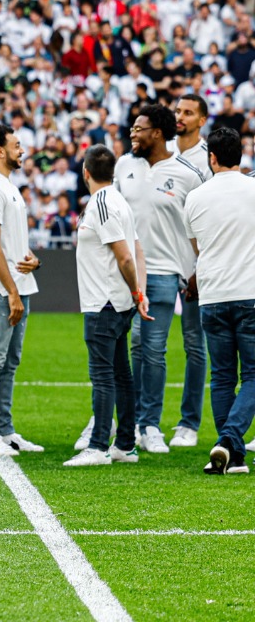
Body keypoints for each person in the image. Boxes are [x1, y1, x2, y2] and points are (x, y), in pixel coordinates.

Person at [111, 104, 205, 454]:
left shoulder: (187, 174)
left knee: (152, 349)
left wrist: (195, 268)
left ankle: (149, 424)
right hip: (125, 271)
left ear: (159, 133)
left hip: (166, 272)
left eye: (140, 128)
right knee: (126, 347)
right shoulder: (124, 166)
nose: (133, 133)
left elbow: (199, 225)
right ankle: (125, 421)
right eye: (132, 128)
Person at [65, 145, 151, 467]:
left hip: (104, 301)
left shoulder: (101, 204)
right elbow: (137, 249)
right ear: (112, 172)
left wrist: (136, 293)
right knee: (121, 374)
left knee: (103, 376)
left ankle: (99, 446)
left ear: (85, 172)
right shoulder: (119, 202)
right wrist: (138, 293)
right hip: (115, 300)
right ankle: (125, 445)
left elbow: (126, 255)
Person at [184, 128, 255, 475]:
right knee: (254, 374)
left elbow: (198, 248)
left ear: (211, 157)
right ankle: (229, 440)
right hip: (250, 292)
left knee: (223, 376)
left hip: (212, 295)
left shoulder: (195, 197)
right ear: (241, 155)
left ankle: (233, 456)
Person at [0, 124, 44, 456]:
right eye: (16, 145)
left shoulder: (9, 186)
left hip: (16, 286)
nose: (21, 150)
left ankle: (5, 429)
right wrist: (11, 291)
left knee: (9, 361)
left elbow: (11, 245)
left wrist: (32, 261)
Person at [165, 94, 212, 447]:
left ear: (201, 120)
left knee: (195, 346)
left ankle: (189, 424)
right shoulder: (162, 150)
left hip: (195, 269)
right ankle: (138, 420)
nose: (179, 116)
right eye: (178, 111)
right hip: (158, 265)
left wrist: (200, 268)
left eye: (187, 112)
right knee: (142, 344)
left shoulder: (208, 160)